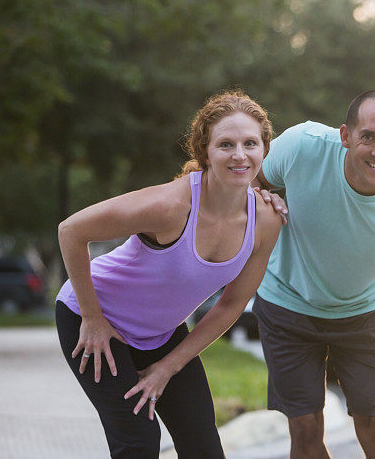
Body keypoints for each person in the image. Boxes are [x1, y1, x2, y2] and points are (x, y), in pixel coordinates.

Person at [55, 90, 282, 458]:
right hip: (94, 317)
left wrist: (167, 367)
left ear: (264, 150)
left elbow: (231, 305)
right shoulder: (170, 207)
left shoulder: (266, 220)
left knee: (203, 447)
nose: (240, 155)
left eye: (250, 143)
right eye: (226, 144)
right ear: (204, 152)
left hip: (161, 333)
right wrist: (93, 318)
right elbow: (71, 230)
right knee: (139, 442)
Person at [254, 90, 375, 459]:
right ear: (345, 136)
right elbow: (247, 178)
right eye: (368, 137)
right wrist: (263, 200)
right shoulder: (303, 146)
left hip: (365, 311)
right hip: (287, 298)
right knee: (306, 429)